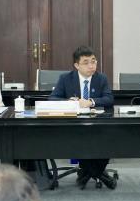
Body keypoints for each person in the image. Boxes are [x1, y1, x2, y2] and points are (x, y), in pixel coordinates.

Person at [49, 46, 116, 188]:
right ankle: (99, 174)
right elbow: (52, 99)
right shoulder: (66, 78)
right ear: (76, 65)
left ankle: (86, 173)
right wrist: (69, 102)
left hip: (98, 124)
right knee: (79, 139)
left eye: (93, 61)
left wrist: (91, 102)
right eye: (86, 62)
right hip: (74, 125)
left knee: (109, 138)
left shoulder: (101, 78)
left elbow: (109, 99)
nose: (91, 66)